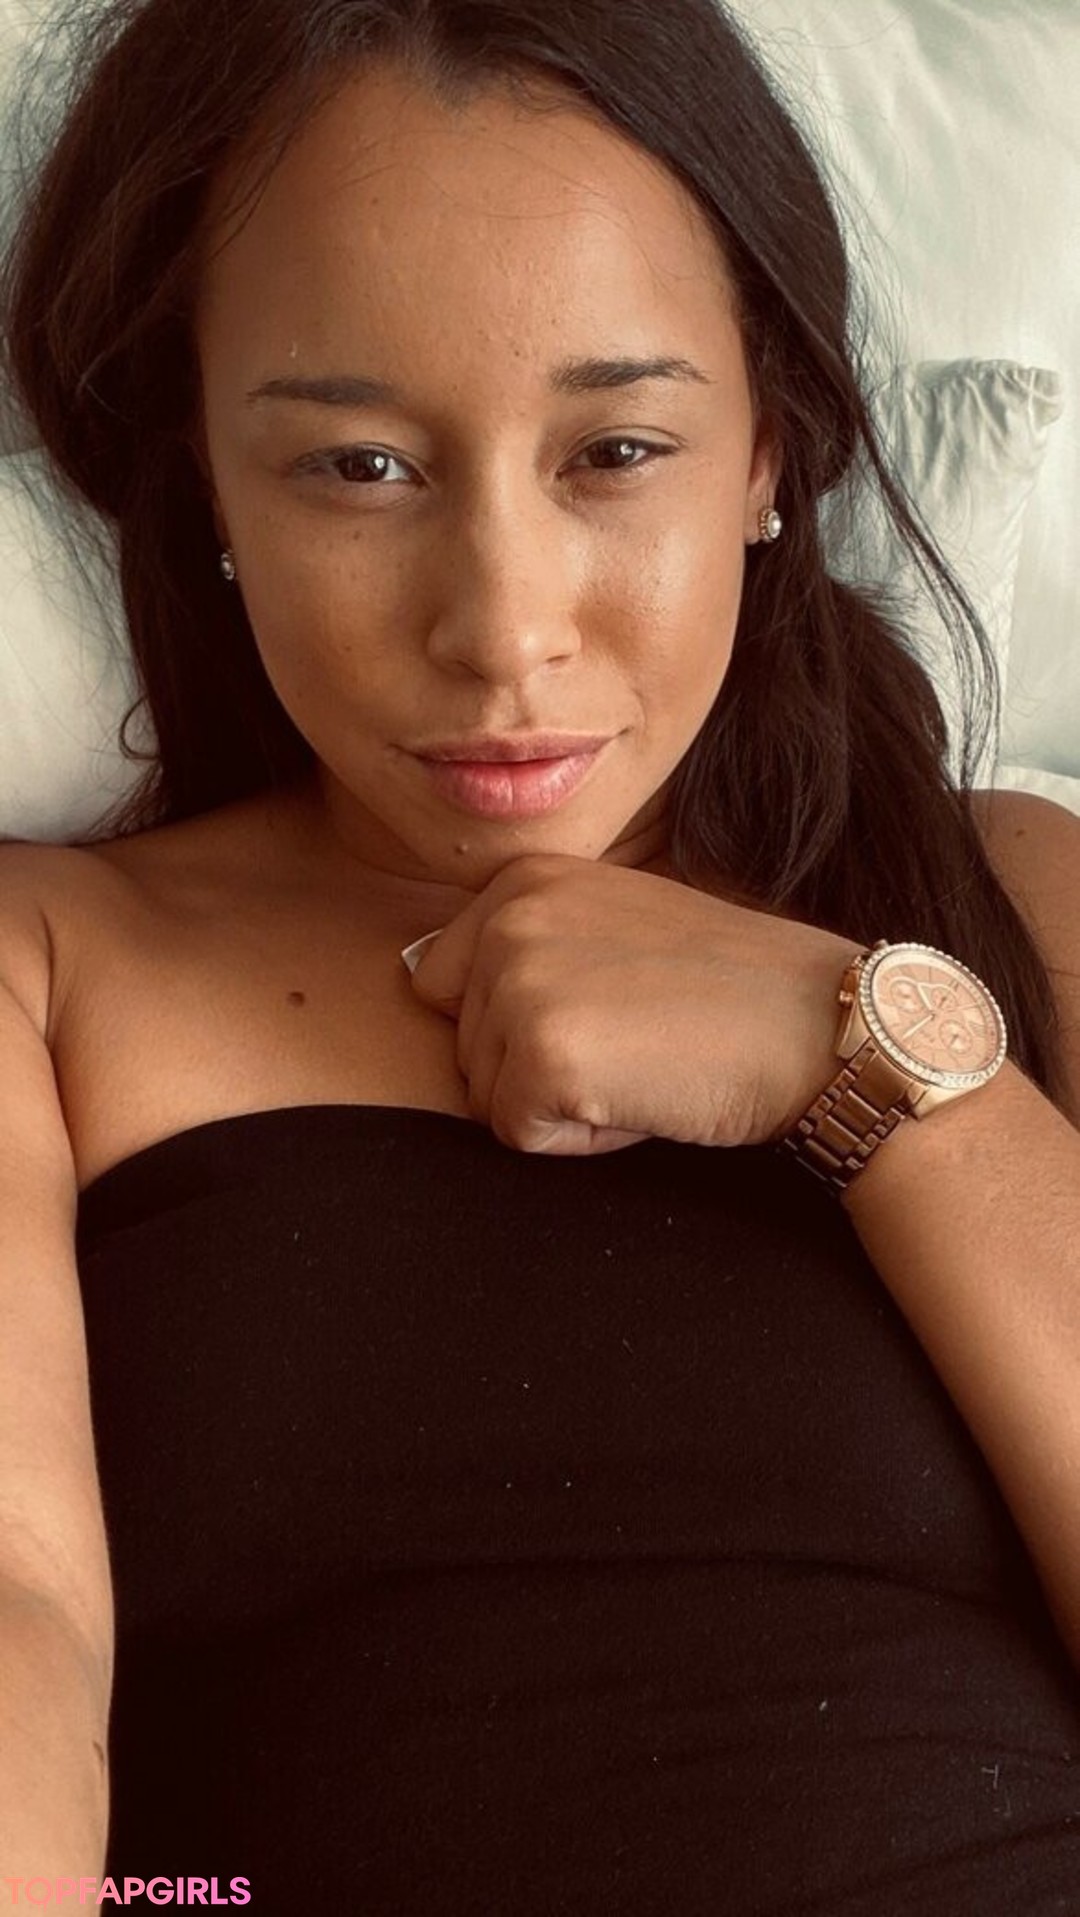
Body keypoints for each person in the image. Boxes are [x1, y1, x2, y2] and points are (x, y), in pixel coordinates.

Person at [0, 0, 1077, 1906]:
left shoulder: (1008, 893)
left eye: (618, 449)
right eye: (359, 468)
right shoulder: (48, 965)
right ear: (206, 474)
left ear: (771, 450)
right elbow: (21, 1611)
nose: (503, 630)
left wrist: (875, 1065)